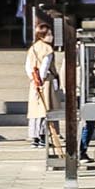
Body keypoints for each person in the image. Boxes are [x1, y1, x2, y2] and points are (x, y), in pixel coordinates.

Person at [27, 21, 59, 149]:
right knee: (46, 110)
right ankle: (43, 137)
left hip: (34, 82)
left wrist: (33, 79)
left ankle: (34, 137)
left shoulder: (33, 48)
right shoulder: (48, 49)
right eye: (49, 34)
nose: (51, 37)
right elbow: (44, 67)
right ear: (42, 36)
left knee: (35, 110)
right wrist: (41, 79)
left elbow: (28, 66)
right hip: (44, 82)